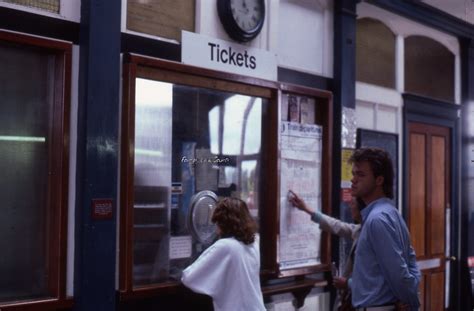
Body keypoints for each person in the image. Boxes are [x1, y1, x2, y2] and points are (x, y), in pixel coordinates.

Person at [348, 148, 420, 311]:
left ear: (379, 180)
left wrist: (412, 303)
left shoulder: (377, 219)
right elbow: (411, 260)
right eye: (354, 174)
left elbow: (400, 274)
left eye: (360, 175)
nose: (353, 180)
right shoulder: (389, 212)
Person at [181, 197, 266, 311]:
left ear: (223, 222)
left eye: (217, 222)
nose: (216, 228)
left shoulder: (225, 246)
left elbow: (189, 278)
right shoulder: (255, 241)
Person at [289, 190, 363, 311]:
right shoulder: (359, 230)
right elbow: (336, 225)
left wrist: (348, 284)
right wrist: (306, 209)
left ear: (362, 208)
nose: (350, 206)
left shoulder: (370, 232)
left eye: (353, 203)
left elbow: (375, 279)